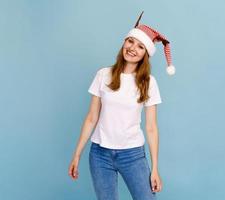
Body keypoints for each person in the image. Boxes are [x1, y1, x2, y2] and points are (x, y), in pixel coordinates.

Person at [68, 11, 175, 200]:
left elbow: (151, 128)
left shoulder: (149, 82)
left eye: (140, 46)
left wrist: (155, 168)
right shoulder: (103, 75)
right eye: (130, 41)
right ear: (124, 42)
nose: (133, 48)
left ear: (145, 54)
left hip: (132, 155)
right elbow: (92, 117)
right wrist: (77, 154)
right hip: (100, 155)